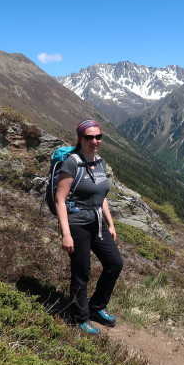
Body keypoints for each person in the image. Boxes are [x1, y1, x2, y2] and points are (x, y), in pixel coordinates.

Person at [54, 119, 123, 335]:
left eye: (98, 137)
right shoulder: (72, 163)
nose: (95, 141)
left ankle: (97, 306)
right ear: (80, 138)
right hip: (77, 224)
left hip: (97, 222)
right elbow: (59, 199)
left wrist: (110, 223)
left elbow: (101, 196)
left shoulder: (100, 162)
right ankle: (79, 318)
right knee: (81, 271)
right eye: (89, 137)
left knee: (115, 263)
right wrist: (66, 233)